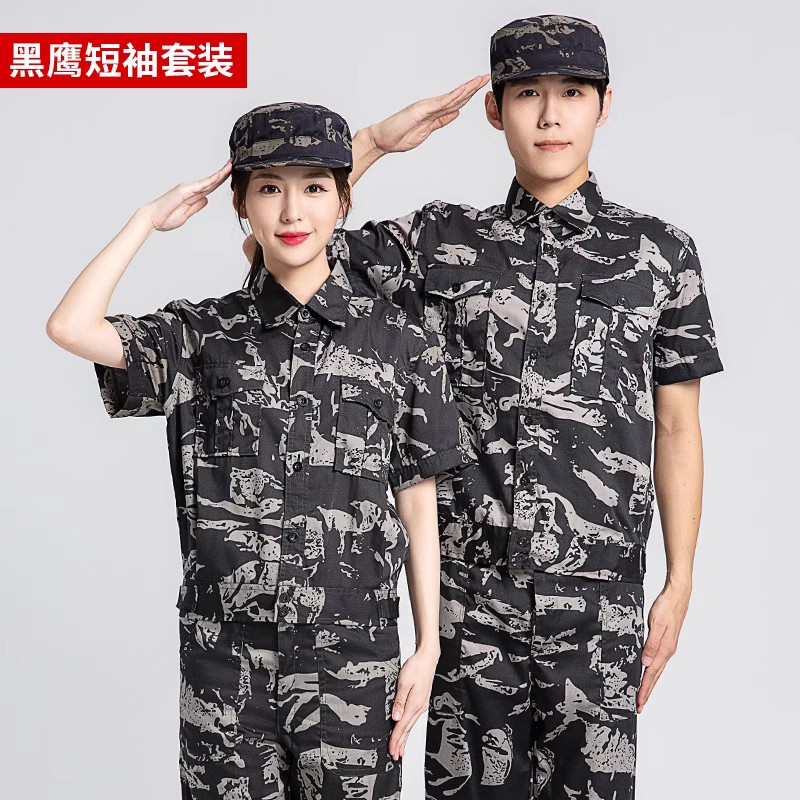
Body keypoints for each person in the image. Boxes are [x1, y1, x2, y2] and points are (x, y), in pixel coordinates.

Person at [245, 15, 725, 800]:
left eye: (573, 93)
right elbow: (281, 251)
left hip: (598, 603)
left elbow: (677, 424)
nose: (550, 115)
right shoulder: (440, 241)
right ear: (495, 110)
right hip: (468, 602)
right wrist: (373, 142)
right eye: (527, 94)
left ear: (604, 106)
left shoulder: (659, 254)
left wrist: (680, 581)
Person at [46, 101, 476, 799]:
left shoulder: (401, 344)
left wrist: (428, 645)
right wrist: (146, 220)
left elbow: (417, 500)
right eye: (269, 188)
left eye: (314, 187)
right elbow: (70, 326)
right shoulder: (201, 336)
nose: (291, 210)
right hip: (225, 669)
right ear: (241, 205)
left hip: (351, 663)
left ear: (343, 201)